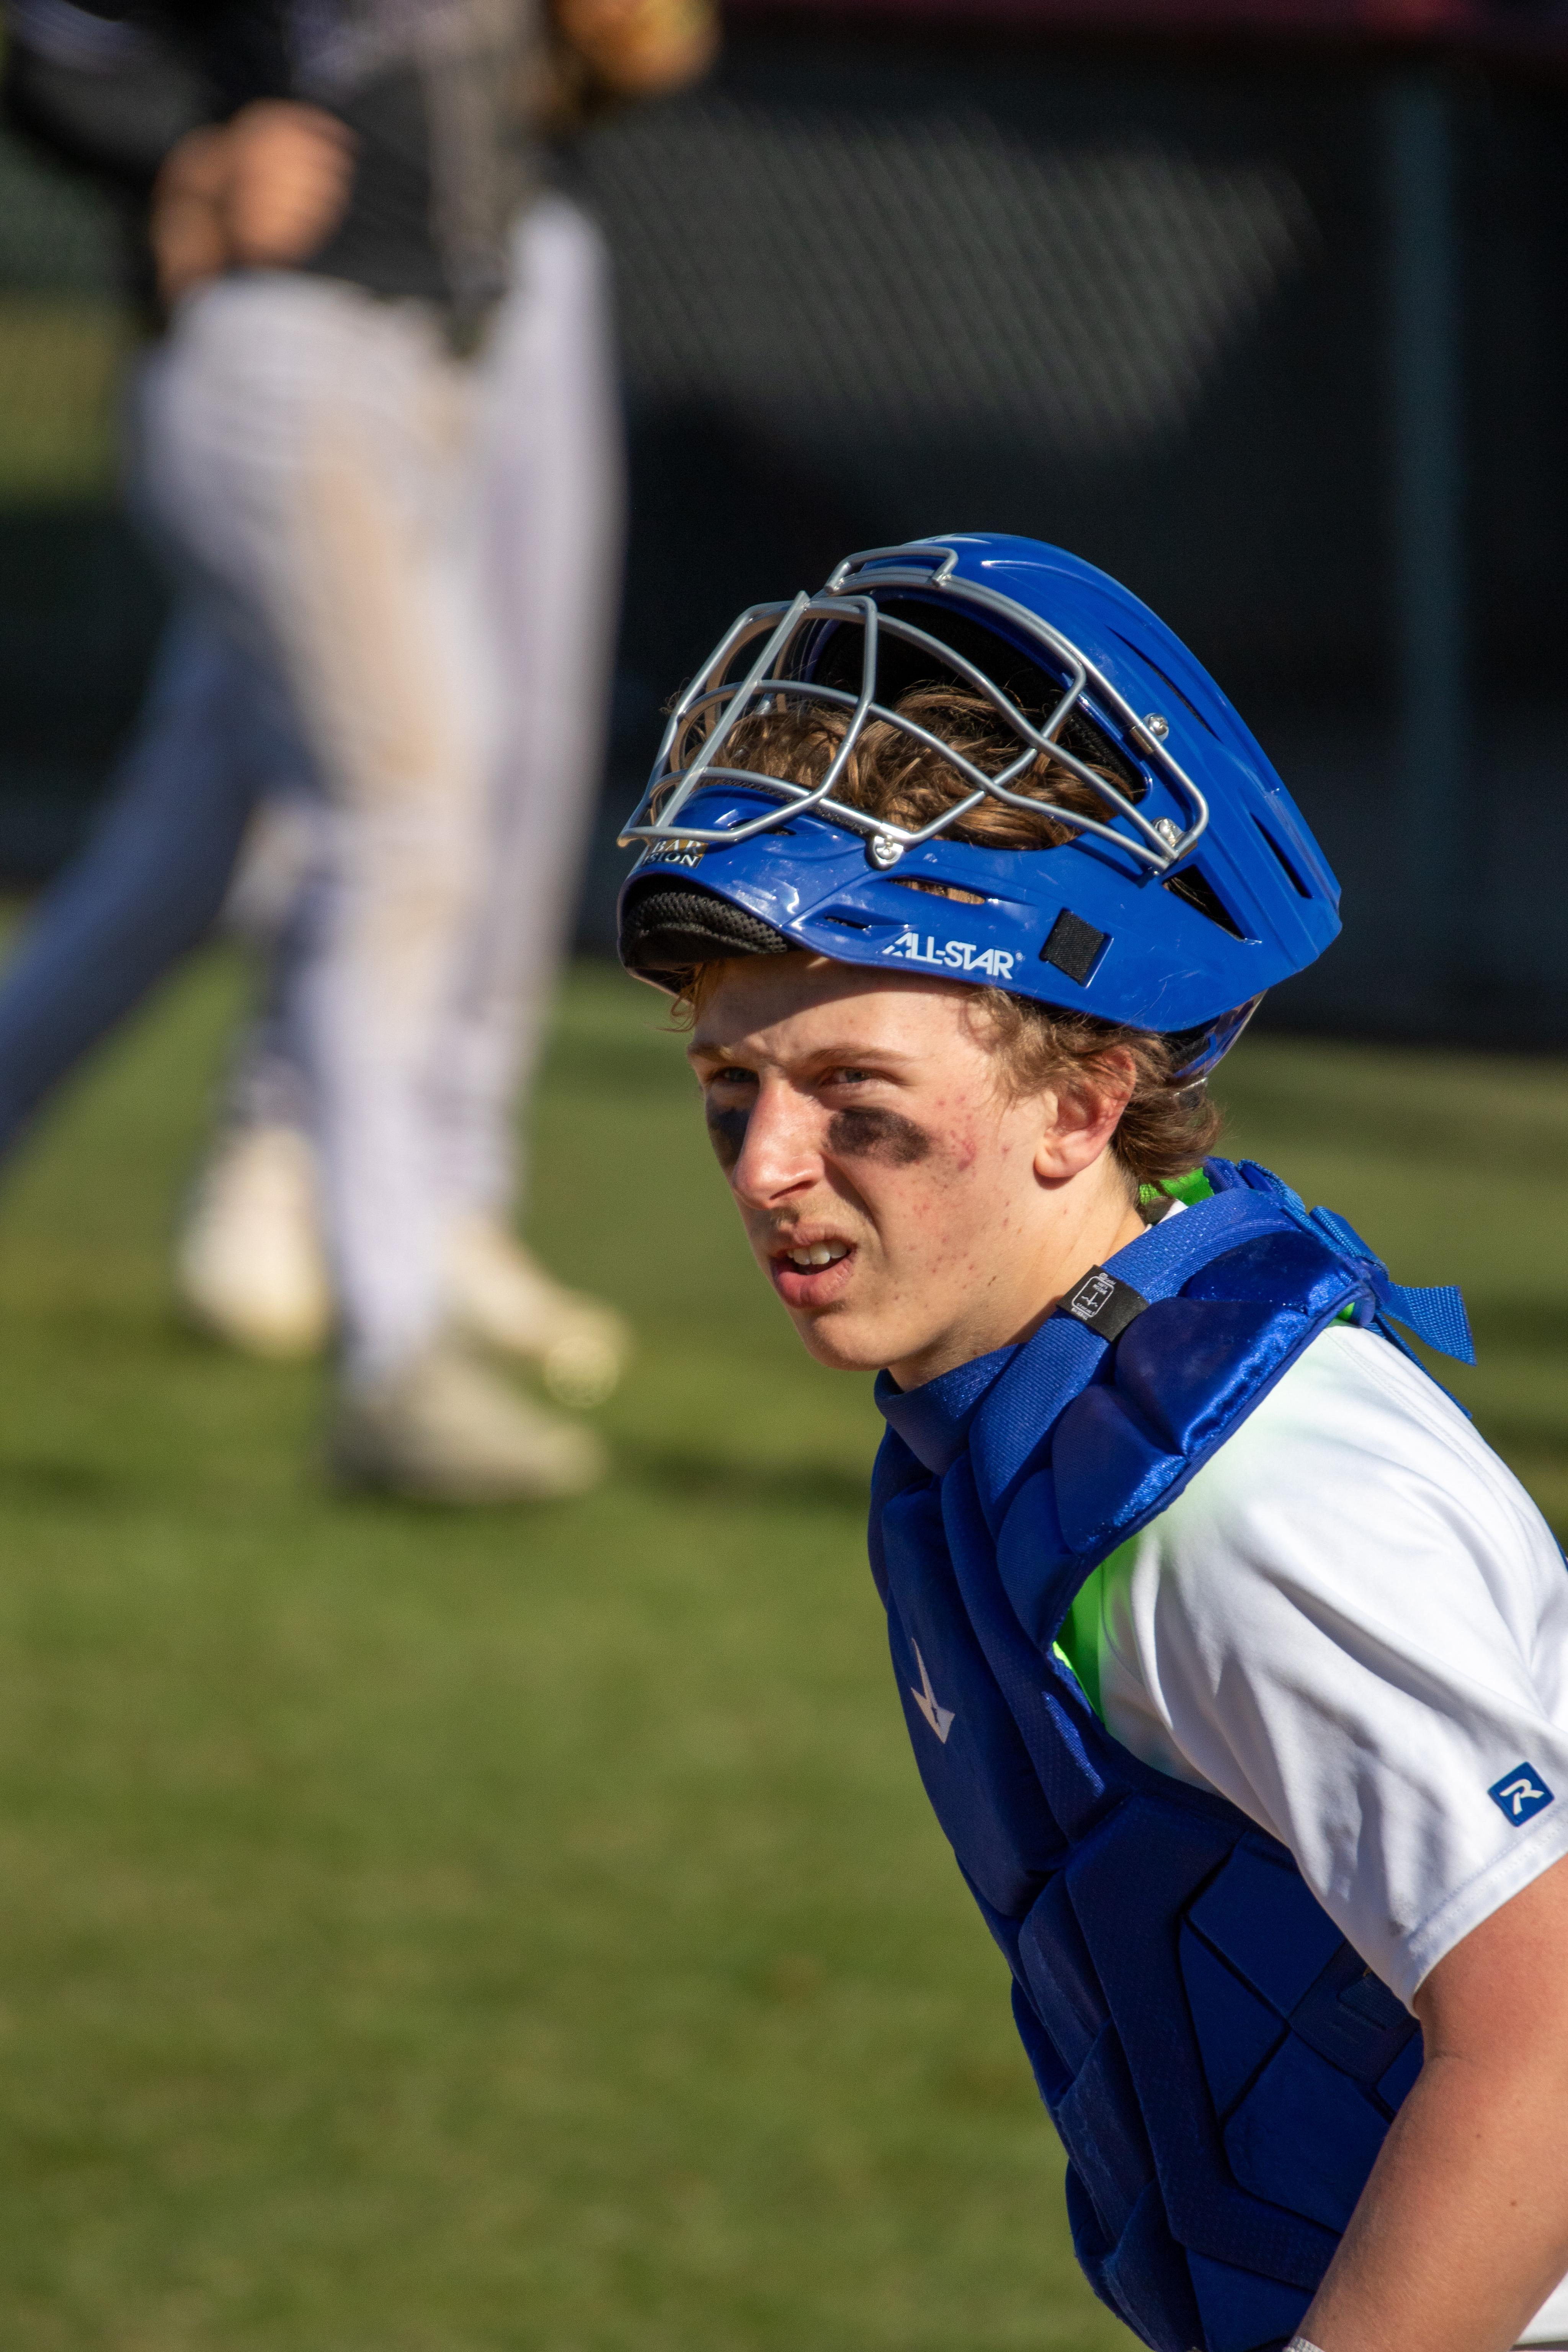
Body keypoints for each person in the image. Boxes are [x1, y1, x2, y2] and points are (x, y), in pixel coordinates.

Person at [614, 533, 1568, 2352]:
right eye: (730, 1092)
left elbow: (1547, 2040)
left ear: (1081, 1096)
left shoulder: (1246, 1513)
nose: (764, 1173)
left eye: (855, 1103)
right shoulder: (1024, 1423)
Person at [0, 0, 716, 1499]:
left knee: (172, 869)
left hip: (416, 373)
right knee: (407, 827)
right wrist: (175, 150)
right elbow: (56, 41)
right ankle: (396, 1351)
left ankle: (398, 1320)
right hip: (287, 359)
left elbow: (603, 61)